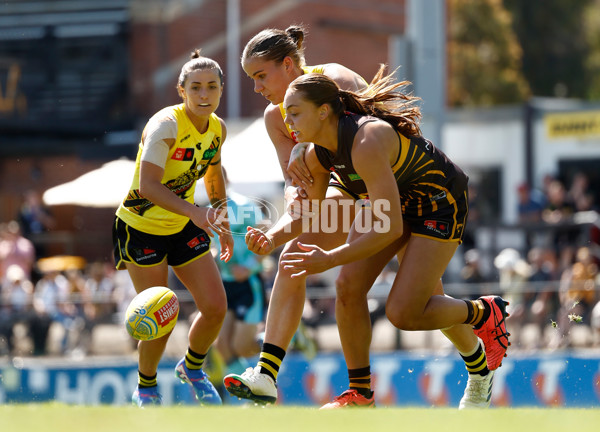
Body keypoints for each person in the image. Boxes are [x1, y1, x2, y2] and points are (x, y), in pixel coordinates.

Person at [225, 70, 510, 409]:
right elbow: (312, 212)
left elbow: (387, 228)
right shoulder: (318, 154)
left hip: (439, 204)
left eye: (295, 113)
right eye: (286, 115)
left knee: (404, 313)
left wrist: (331, 258)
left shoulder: (367, 140)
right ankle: (360, 393)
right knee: (347, 287)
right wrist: (270, 238)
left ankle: (483, 312)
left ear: (324, 112)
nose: (289, 124)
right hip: (395, 206)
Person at [112, 49, 233, 407]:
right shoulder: (166, 124)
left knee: (215, 308)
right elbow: (148, 187)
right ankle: (146, 387)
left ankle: (193, 368)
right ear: (182, 91)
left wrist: (221, 220)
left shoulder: (217, 129)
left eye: (212, 87)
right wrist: (197, 214)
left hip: (182, 222)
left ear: (221, 91)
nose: (204, 95)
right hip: (140, 228)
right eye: (195, 87)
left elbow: (213, 174)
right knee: (160, 314)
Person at [213, 169, 267, 378]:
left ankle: (289, 337)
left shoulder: (244, 206)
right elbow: (211, 246)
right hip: (226, 284)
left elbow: (267, 238)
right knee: (222, 348)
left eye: (217, 180)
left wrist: (248, 267)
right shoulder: (207, 211)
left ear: (226, 180)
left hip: (248, 282)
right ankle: (248, 389)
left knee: (242, 347)